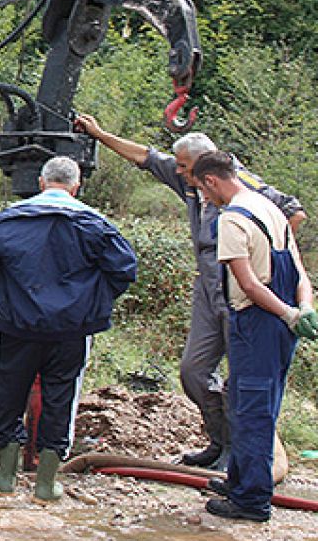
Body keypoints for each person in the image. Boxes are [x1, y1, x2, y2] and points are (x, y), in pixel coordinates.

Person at [73, 115, 306, 469]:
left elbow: (293, 214)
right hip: (207, 289)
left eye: (183, 166)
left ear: (205, 168)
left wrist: (261, 257)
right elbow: (146, 158)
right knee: (193, 372)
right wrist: (99, 134)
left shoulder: (243, 185)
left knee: (241, 379)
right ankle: (220, 440)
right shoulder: (190, 179)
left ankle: (241, 456)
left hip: (242, 288)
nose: (178, 171)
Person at [0, 156, 137, 501]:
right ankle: (46, 484)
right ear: (77, 188)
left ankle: (5, 478)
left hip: (16, 325)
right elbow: (123, 270)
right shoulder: (97, 225)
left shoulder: (9, 219)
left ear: (42, 183)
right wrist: (87, 302)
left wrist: (5, 293)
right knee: (63, 397)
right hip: (72, 329)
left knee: (6, 392)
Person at [190, 151, 318, 522]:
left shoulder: (230, 220)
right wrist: (303, 308)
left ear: (212, 181)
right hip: (279, 324)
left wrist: (287, 312)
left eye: (203, 190)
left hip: (257, 322)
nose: (205, 200)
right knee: (249, 404)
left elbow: (247, 282)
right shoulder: (271, 209)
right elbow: (299, 273)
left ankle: (251, 501)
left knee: (253, 411)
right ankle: (239, 480)